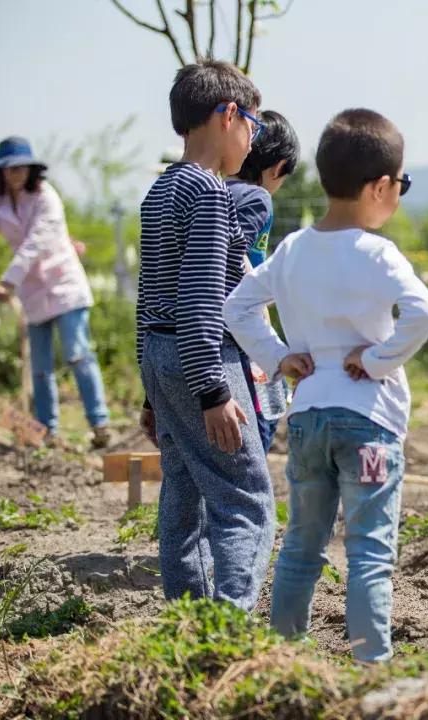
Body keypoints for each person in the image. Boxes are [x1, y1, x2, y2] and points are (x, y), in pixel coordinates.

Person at [224, 108, 428, 662]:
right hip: (368, 424)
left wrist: (278, 357)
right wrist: (380, 359)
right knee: (368, 551)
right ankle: (371, 666)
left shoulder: (292, 248)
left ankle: (283, 662)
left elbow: (239, 306)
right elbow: (424, 311)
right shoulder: (377, 252)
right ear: (380, 187)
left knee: (301, 544)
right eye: (401, 187)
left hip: (309, 418)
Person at [136, 60, 275, 611]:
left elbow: (149, 298)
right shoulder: (210, 192)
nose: (252, 141)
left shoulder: (160, 190)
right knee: (245, 496)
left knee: (184, 490)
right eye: (254, 127)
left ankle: (187, 618)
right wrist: (213, 391)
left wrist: (153, 393)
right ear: (229, 115)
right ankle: (228, 629)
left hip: (159, 355)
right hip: (202, 358)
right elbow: (200, 301)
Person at [0, 137, 110, 447]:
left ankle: (100, 425)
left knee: (77, 353)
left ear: (31, 170)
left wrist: (7, 281)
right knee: (40, 366)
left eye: (21, 168)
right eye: (9, 169)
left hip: (64, 286)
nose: (15, 174)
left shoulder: (47, 198)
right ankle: (47, 431)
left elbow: (34, 244)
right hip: (32, 292)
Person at [225, 109, 300, 452]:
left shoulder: (218, 187)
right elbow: (237, 255)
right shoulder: (257, 198)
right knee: (259, 426)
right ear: (277, 167)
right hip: (242, 326)